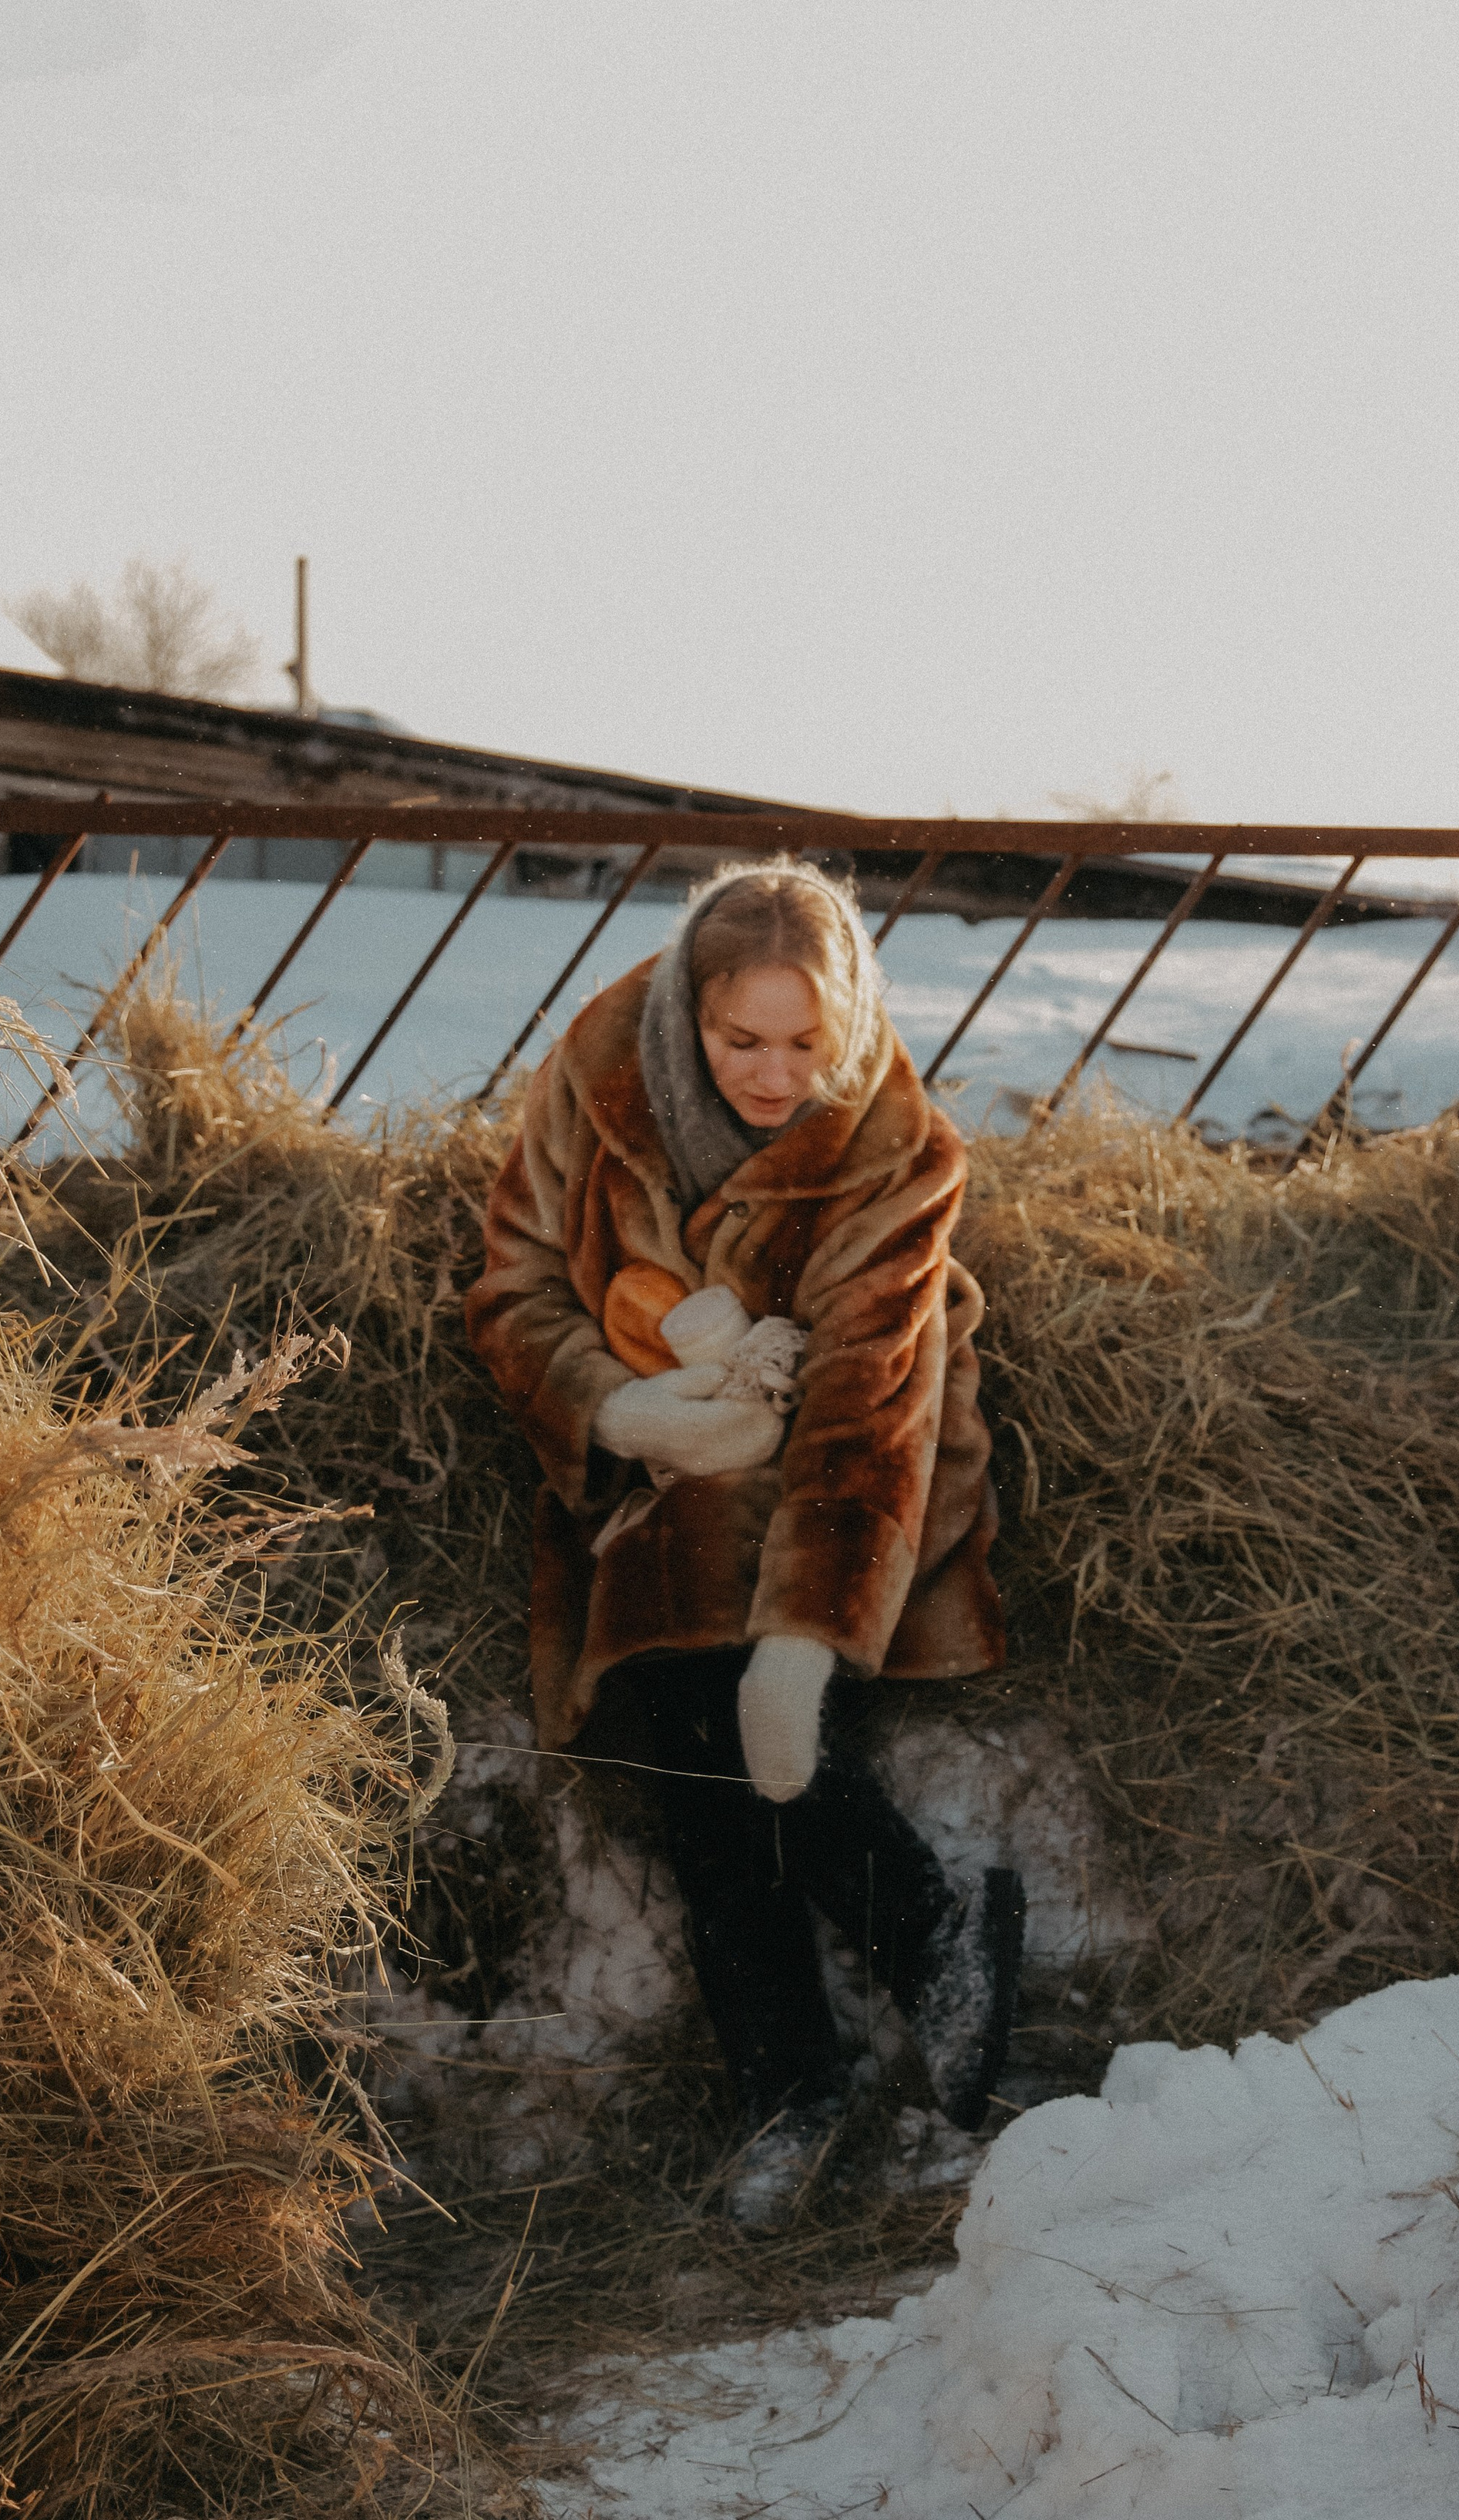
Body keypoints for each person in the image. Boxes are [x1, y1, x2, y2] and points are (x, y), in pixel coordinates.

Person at [465, 857, 1024, 2223]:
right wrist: (622, 1404)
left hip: (857, 1476)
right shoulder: (596, 1082)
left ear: (848, 1021)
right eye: (740, 1042)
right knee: (676, 1696)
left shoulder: (893, 1149)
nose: (775, 1075)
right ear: (686, 1020)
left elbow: (871, 1406)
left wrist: (805, 1638)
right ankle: (915, 1962)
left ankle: (808, 2069)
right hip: (665, 1448)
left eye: (805, 1042)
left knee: (727, 1687)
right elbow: (514, 1285)